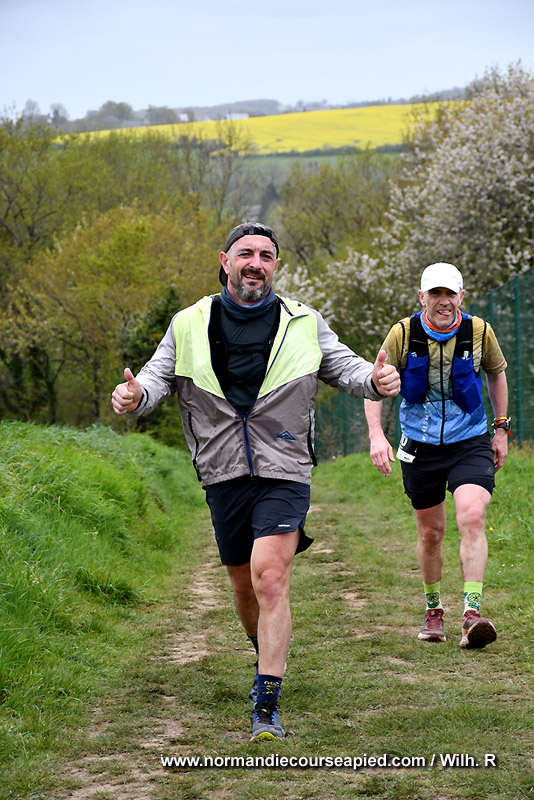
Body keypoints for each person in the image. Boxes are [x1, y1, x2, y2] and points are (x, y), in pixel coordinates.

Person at [111, 221, 400, 741]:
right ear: (225, 261)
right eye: (246, 254)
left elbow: (347, 368)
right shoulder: (189, 322)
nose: (256, 264)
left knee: (269, 577)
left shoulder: (304, 322)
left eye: (266, 256)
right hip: (221, 469)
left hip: (284, 464)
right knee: (244, 586)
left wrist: (375, 380)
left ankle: (266, 704)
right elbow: (155, 377)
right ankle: (264, 649)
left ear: (276, 266)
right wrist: (135, 396)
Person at [364, 262, 510, 650]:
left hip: (470, 440)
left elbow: (496, 373)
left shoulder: (479, 331)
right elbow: (375, 383)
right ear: (422, 297)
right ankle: (434, 611)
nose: (443, 301)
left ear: (461, 296)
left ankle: (472, 614)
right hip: (420, 444)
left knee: (473, 515)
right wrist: (377, 435)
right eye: (435, 293)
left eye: (450, 293)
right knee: (431, 532)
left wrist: (500, 428)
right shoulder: (402, 333)